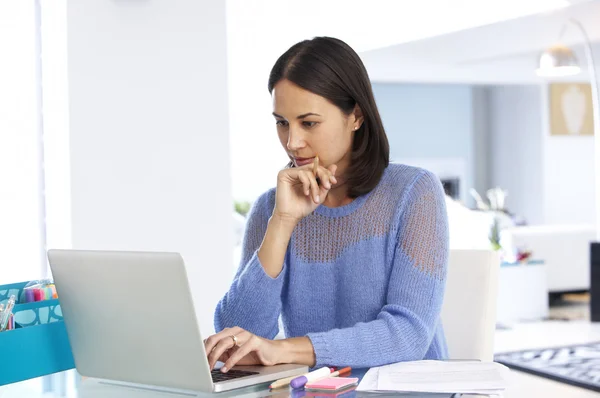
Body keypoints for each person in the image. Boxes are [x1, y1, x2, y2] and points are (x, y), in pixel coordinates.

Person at [204, 37, 449, 372]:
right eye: (282, 122)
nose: (292, 142)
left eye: (309, 123)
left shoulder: (413, 193)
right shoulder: (271, 208)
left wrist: (283, 350)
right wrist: (282, 222)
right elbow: (237, 338)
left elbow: (408, 335)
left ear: (356, 117)